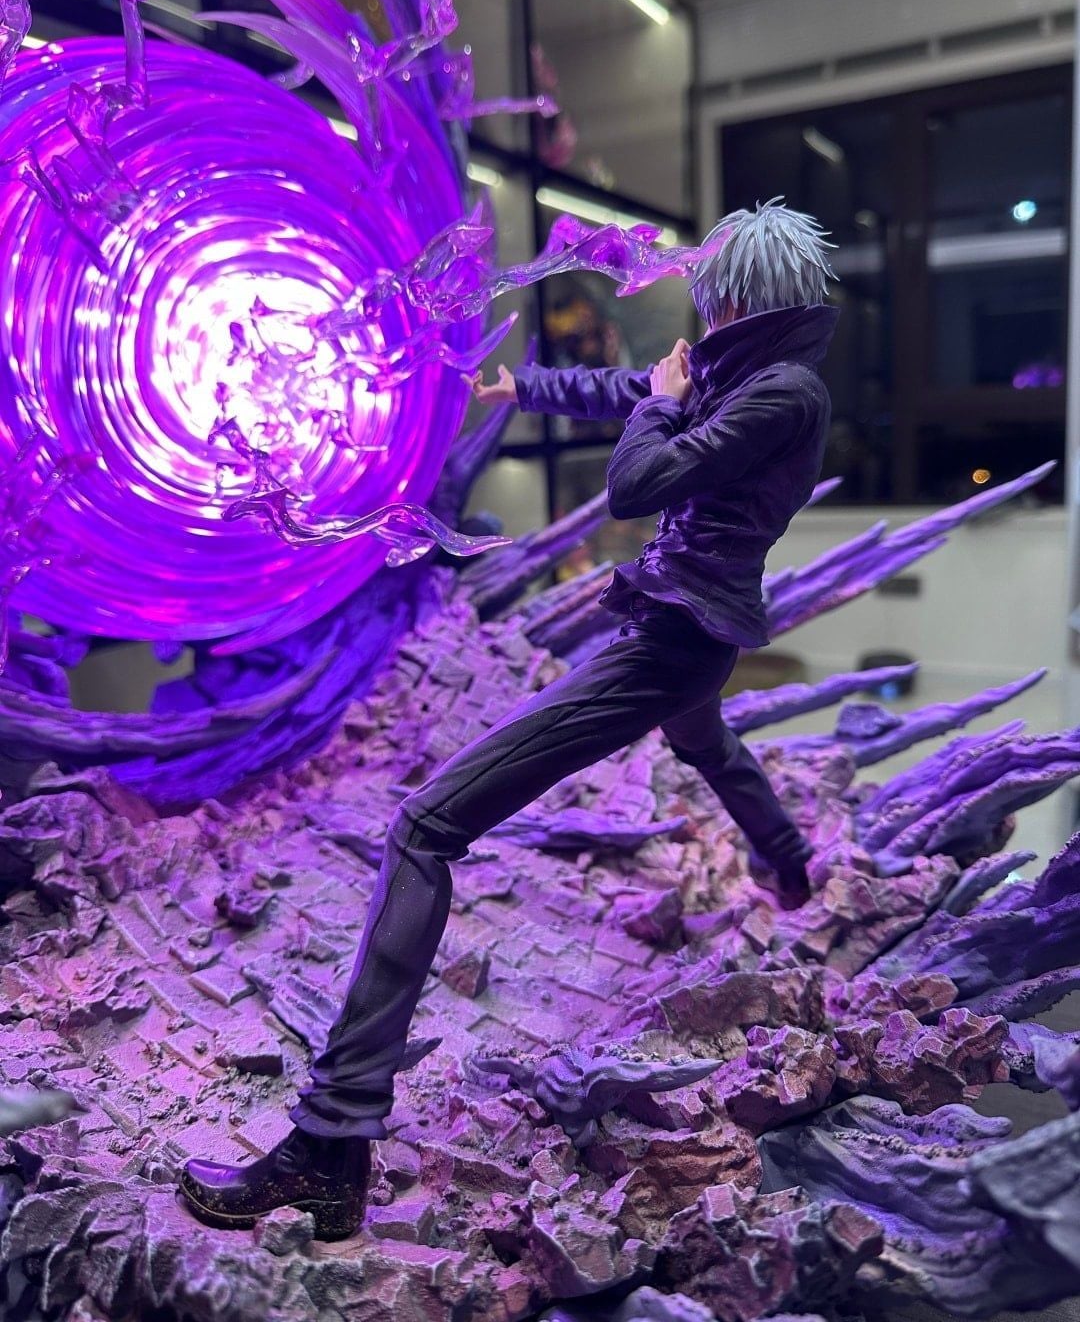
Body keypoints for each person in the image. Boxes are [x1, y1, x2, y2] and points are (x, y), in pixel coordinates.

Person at [178, 198, 839, 1241]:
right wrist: (524, 386)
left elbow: (637, 481)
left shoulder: (783, 393)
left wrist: (661, 404)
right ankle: (791, 862)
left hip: (673, 640)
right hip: (683, 634)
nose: (700, 317)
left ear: (737, 301)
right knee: (704, 738)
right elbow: (634, 390)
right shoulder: (749, 368)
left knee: (425, 826)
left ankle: (330, 1144)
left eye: (710, 301)